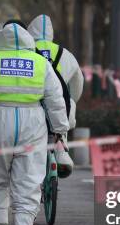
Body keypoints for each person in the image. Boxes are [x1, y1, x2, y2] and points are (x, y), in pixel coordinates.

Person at [0, 22, 69, 225]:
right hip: (33, 122)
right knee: (29, 176)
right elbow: (55, 99)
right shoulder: (41, 64)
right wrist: (60, 129)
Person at [27, 14, 84, 178]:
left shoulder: (26, 52)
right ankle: (62, 152)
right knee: (63, 111)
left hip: (33, 107)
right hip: (60, 108)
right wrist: (72, 100)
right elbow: (77, 84)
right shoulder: (66, 54)